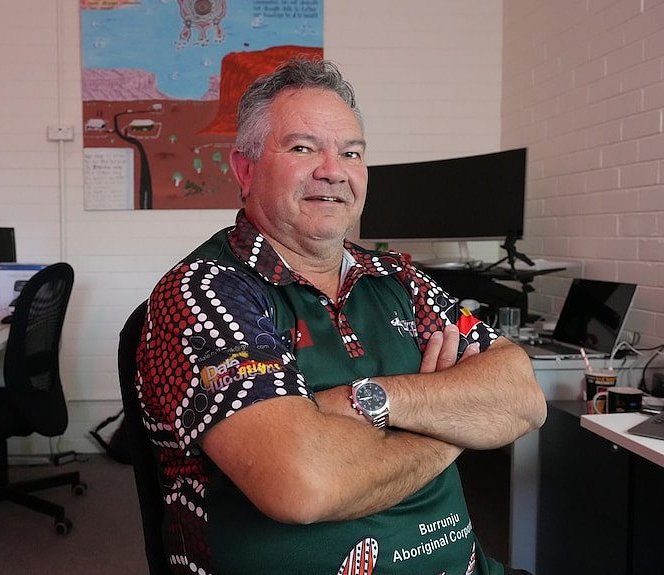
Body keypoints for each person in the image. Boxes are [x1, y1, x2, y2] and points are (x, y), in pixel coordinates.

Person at [135, 57, 546, 575]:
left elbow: (523, 396)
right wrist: (453, 421)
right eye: (303, 148)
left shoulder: (399, 279)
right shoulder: (206, 292)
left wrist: (366, 402)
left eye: (350, 152)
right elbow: (303, 486)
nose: (333, 170)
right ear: (245, 168)